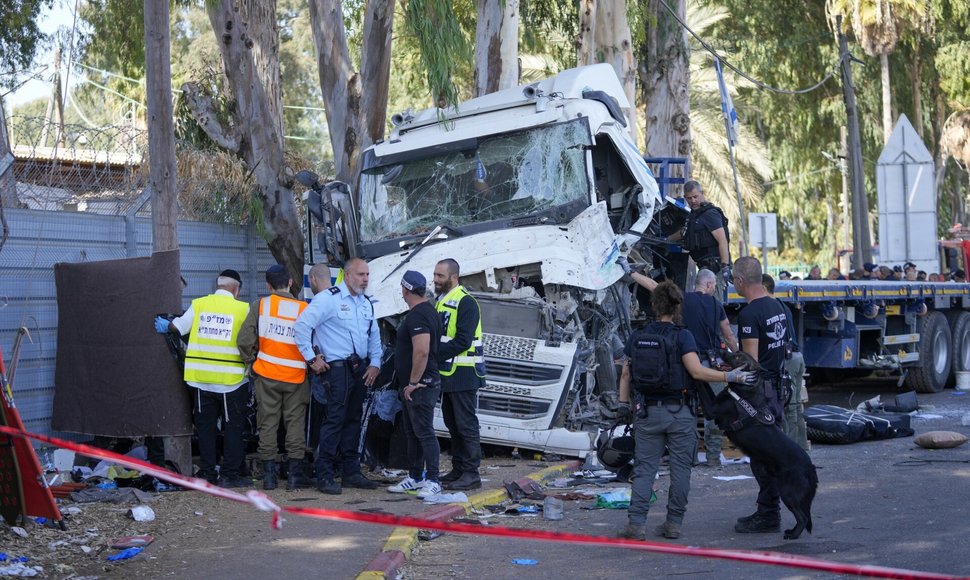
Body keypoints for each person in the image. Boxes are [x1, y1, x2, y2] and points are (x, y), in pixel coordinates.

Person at [616, 281, 754, 541]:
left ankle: (636, 525)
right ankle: (673, 524)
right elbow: (697, 371)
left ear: (654, 305)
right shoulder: (683, 336)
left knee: (645, 469)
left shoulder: (638, 335)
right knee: (681, 470)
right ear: (678, 306)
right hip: (679, 413)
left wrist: (623, 405)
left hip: (647, 412)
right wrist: (731, 377)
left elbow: (625, 372)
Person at [627, 265, 738, 467]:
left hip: (685, 363)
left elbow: (654, 286)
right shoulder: (716, 304)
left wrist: (630, 272)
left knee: (689, 409)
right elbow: (728, 333)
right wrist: (737, 355)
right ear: (710, 284)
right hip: (710, 364)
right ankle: (713, 457)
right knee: (714, 410)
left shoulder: (682, 299)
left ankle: (691, 457)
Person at [293, 258, 383, 495]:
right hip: (337, 369)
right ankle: (325, 474)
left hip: (360, 368)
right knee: (335, 419)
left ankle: (351, 471)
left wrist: (375, 362)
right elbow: (301, 327)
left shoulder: (365, 303)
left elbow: (373, 334)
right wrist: (312, 359)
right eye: (361, 274)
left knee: (354, 419)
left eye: (367, 275)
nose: (365, 279)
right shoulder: (328, 299)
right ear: (347, 275)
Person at [154, 269, 251, 488]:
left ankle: (208, 473)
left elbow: (176, 327)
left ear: (217, 287)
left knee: (206, 429)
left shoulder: (199, 304)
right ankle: (229, 475)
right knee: (233, 428)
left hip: (201, 379)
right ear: (236, 290)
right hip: (231, 381)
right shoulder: (243, 309)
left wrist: (163, 325)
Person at [237, 264, 313, 491]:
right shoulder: (304, 308)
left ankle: (269, 478)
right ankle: (293, 476)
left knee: (268, 424)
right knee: (295, 425)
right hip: (296, 377)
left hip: (267, 375)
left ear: (268, 285)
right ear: (290, 282)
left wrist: (250, 361)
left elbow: (244, 340)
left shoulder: (260, 305)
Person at [732, 257, 793, 534]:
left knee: (762, 456)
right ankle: (769, 509)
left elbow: (751, 362)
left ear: (741, 281)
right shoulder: (778, 306)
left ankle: (769, 513)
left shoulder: (749, 314)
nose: (734, 284)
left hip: (761, 393)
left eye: (734, 279)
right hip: (778, 387)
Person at [386, 271, 443, 498]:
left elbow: (422, 351)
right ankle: (416, 476)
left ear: (405, 290)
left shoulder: (419, 315)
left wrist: (413, 382)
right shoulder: (427, 310)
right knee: (413, 433)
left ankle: (433, 480)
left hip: (421, 385)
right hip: (416, 384)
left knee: (424, 432)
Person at [433, 258, 487, 491]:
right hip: (448, 372)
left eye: (440, 276)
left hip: (464, 374)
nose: (435, 280)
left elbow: (463, 341)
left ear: (453, 277)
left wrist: (432, 354)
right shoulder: (442, 300)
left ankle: (471, 473)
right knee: (452, 424)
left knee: (465, 425)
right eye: (435, 275)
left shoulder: (466, 302)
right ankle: (458, 469)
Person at [763, 274, 809, 454]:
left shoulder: (771, 308)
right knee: (796, 405)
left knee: (788, 405)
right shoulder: (784, 306)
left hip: (788, 360)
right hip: (797, 357)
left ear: (764, 287)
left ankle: (790, 450)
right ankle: (801, 447)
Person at [667, 181, 731, 287]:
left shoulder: (710, 214)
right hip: (704, 267)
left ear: (702, 193)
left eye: (695, 196)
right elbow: (685, 231)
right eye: (689, 198)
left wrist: (725, 267)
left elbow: (723, 241)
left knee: (712, 301)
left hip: (715, 268)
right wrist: (667, 239)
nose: (693, 201)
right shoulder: (694, 215)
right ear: (685, 197)